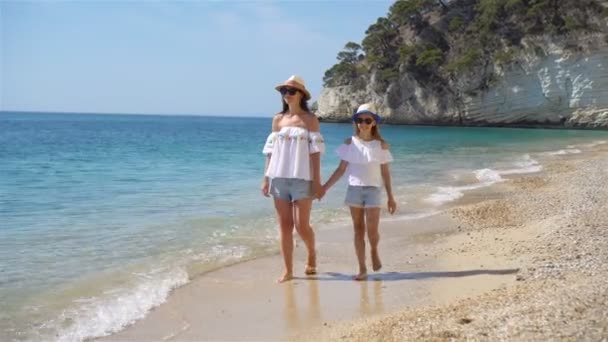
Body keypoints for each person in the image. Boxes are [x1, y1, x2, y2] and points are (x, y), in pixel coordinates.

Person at [261, 75, 325, 283]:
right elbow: (270, 151)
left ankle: (311, 253)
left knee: (301, 225)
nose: (287, 94)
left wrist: (317, 181)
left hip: (302, 179)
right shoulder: (278, 119)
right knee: (285, 226)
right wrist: (265, 178)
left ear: (301, 95)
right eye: (284, 91)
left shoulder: (310, 119)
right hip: (278, 177)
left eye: (291, 91)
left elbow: (315, 153)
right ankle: (287, 270)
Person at [321, 103, 396, 281]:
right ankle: (362, 268)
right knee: (358, 230)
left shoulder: (381, 146)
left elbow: (386, 172)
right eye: (360, 120)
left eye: (367, 120)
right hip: (354, 189)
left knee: (372, 230)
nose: (363, 123)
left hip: (374, 190)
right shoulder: (349, 143)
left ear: (373, 123)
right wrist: (324, 187)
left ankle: (374, 250)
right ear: (356, 122)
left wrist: (391, 197)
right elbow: (340, 170)